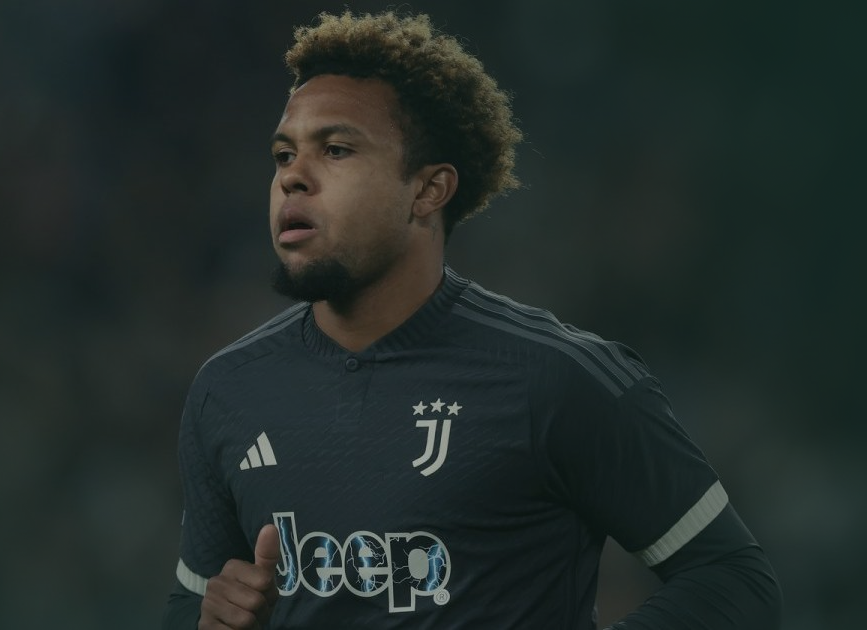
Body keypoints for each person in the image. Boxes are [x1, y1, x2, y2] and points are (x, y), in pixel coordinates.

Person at [162, 10, 781, 630]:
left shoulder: (555, 378)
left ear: (428, 190)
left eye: (337, 149)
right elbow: (193, 605)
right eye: (283, 154)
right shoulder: (227, 390)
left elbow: (733, 580)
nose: (292, 177)